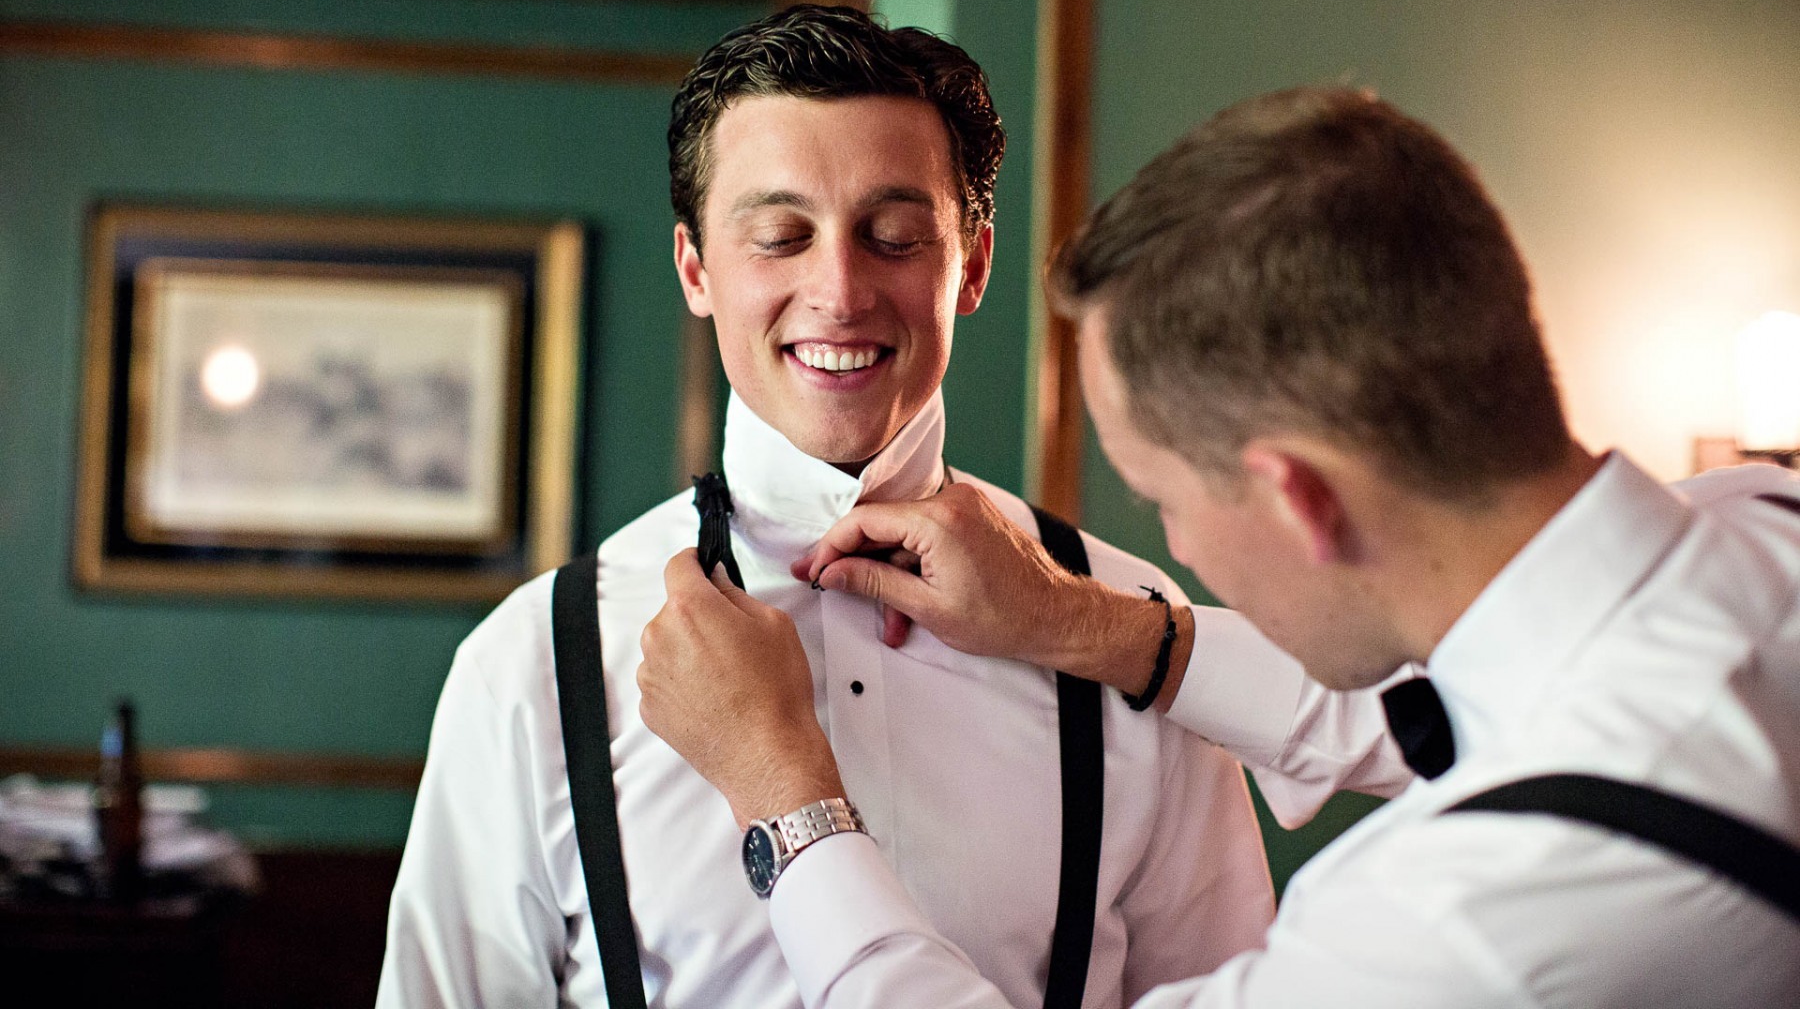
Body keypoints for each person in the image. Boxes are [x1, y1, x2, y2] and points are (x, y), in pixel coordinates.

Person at [638, 86, 1800, 1006]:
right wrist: (1084, 624)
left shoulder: (1470, 916)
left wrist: (784, 796)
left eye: (1163, 500)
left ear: (1296, 498)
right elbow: (1464, 700)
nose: (1171, 544)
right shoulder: (1764, 525)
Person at [376, 5, 1279, 1007]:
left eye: (893, 237)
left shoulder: (1124, 625)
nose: (839, 289)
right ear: (695, 269)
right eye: (779, 236)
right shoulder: (535, 661)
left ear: (971, 265)